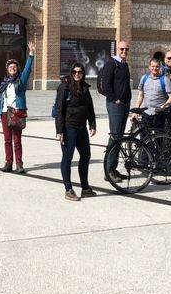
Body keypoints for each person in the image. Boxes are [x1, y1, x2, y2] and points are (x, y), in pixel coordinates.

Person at [55, 63, 97, 201]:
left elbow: (89, 107)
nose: (77, 74)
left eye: (79, 72)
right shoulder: (64, 87)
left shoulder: (85, 87)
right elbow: (59, 110)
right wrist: (60, 130)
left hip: (81, 127)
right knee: (67, 157)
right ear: (71, 73)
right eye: (74, 72)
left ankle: (85, 188)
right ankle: (68, 189)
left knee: (86, 155)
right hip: (68, 127)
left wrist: (92, 124)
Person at [0, 41, 35, 174]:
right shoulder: (4, 83)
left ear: (17, 69)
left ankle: (19, 164)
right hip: (5, 113)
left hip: (16, 112)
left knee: (16, 140)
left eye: (14, 67)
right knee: (7, 140)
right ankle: (8, 162)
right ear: (7, 69)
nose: (12, 69)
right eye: (10, 67)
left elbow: (27, 70)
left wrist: (31, 54)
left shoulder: (20, 81)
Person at [100, 40, 132, 184]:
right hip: (116, 105)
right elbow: (106, 84)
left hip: (125, 104)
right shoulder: (111, 63)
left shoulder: (124, 64)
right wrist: (114, 99)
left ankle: (112, 168)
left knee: (119, 136)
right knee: (115, 136)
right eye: (122, 49)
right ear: (117, 50)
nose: (124, 51)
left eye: (126, 49)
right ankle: (109, 171)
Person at [133, 58, 171, 130]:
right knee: (144, 139)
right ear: (149, 67)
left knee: (159, 139)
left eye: (157, 66)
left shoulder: (165, 79)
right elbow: (140, 95)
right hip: (146, 114)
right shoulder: (144, 78)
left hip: (160, 115)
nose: (155, 68)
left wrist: (163, 107)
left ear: (160, 67)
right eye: (153, 66)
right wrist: (136, 111)